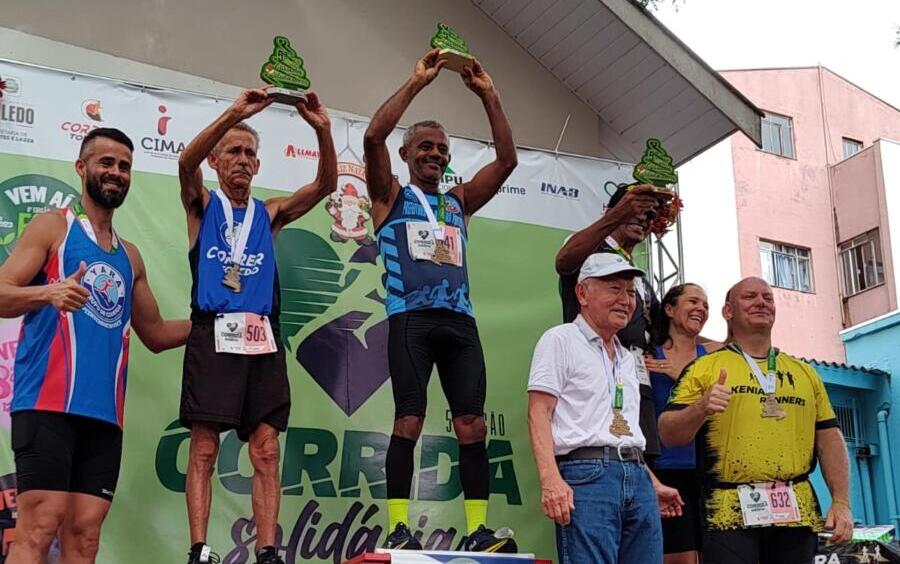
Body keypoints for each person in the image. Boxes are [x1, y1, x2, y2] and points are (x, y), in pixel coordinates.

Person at [0, 128, 190, 564]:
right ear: (81, 167)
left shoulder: (131, 256)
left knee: (85, 537)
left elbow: (157, 333)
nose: (116, 172)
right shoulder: (53, 227)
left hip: (104, 416)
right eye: (106, 162)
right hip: (46, 404)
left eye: (124, 166)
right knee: (39, 526)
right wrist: (47, 292)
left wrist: (215, 324)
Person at [363, 49, 518, 552]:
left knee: (472, 425)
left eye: (442, 149)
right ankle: (398, 528)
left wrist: (488, 95)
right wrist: (417, 82)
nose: (435, 154)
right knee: (409, 419)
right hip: (411, 320)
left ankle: (478, 531)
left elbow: (507, 161)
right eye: (425, 146)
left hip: (460, 324)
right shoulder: (389, 196)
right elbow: (372, 137)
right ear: (407, 154)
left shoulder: (459, 201)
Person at [177, 88, 336, 564]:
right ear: (216, 161)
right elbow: (185, 163)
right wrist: (235, 113)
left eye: (249, 153)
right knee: (205, 447)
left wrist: (323, 130)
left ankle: (268, 551)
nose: (243, 160)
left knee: (266, 450)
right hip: (214, 332)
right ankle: (199, 549)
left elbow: (325, 185)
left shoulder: (270, 214)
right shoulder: (202, 205)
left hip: (262, 337)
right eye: (233, 151)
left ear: (259, 165)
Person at [658, 277, 854, 563]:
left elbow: (829, 439)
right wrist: (700, 408)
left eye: (767, 297)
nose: (761, 302)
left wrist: (841, 502)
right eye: (749, 297)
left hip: (796, 512)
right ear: (728, 311)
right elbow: (667, 432)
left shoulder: (805, 373)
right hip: (727, 512)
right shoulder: (704, 367)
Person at [528, 253, 684, 564]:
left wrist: (652, 483)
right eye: (614, 289)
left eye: (630, 292)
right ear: (582, 293)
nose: (625, 300)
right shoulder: (560, 339)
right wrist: (550, 480)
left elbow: (623, 429)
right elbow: (538, 412)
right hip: (587, 475)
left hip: (637, 475)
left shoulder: (627, 357)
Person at [555, 184, 664, 463]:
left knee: (641, 466)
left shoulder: (639, 277)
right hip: (592, 380)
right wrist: (617, 215)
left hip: (634, 382)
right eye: (635, 209)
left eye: (650, 214)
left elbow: (664, 329)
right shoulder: (590, 248)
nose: (643, 217)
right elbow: (564, 263)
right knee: (596, 462)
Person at [645, 283, 722, 564]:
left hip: (709, 469)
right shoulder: (648, 356)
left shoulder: (713, 355)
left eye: (706, 305)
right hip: (666, 468)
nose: (701, 308)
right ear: (669, 308)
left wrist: (682, 375)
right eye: (693, 301)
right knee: (678, 556)